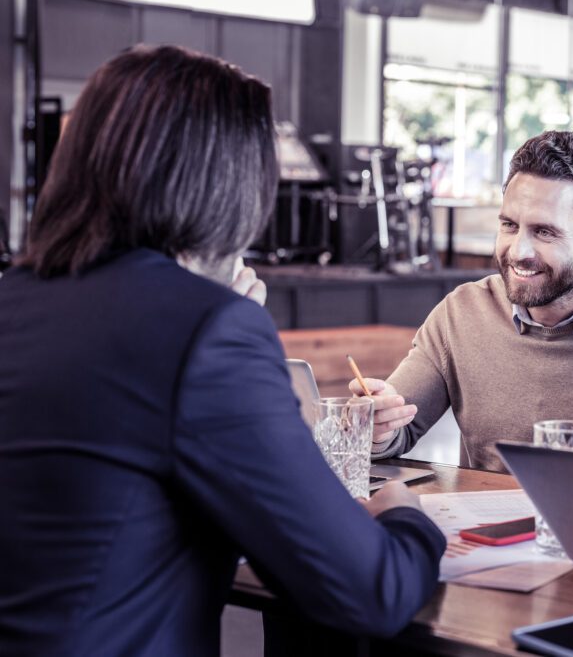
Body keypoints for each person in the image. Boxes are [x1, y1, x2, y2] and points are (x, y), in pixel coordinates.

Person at [0, 45, 445, 654]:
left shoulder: (18, 296)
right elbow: (369, 591)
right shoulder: (207, 331)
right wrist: (406, 515)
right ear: (228, 185)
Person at [352, 131, 573, 471]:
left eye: (544, 232)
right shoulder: (460, 314)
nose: (518, 252)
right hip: (482, 529)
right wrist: (378, 427)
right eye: (509, 225)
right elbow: (396, 433)